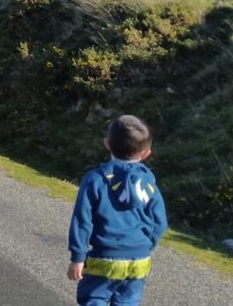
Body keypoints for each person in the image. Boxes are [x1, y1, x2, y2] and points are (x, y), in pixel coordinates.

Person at [68, 114, 168, 306]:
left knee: (94, 298)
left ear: (107, 143)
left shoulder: (95, 179)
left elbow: (82, 220)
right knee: (126, 302)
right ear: (146, 153)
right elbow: (160, 222)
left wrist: (78, 257)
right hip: (139, 260)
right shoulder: (149, 183)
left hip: (105, 258)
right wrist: (146, 246)